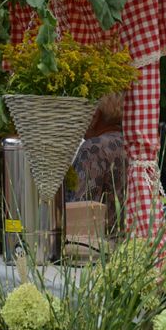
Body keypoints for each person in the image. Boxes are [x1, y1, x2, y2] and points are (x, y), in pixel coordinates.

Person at [67, 92, 127, 234]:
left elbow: (80, 209)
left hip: (99, 248)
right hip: (130, 244)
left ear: (96, 115)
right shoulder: (131, 145)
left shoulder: (94, 148)